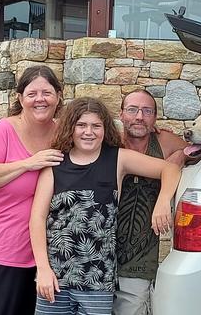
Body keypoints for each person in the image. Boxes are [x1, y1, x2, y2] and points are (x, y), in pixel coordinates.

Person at [29, 97, 181, 315]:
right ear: (70, 128)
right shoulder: (55, 165)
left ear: (105, 128)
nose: (88, 132)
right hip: (55, 278)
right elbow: (37, 218)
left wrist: (163, 201)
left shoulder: (118, 159)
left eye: (96, 126)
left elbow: (170, 170)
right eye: (81, 125)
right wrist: (42, 269)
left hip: (98, 280)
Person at [0, 65, 65, 315]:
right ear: (21, 98)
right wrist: (27, 163)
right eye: (32, 94)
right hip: (1, 248)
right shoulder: (4, 130)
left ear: (58, 96)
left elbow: (99, 141)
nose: (40, 99)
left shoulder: (62, 134)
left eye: (47, 92)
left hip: (45, 254)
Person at [114, 90, 189, 315]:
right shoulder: (110, 141)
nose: (139, 116)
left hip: (139, 257)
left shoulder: (164, 142)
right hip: (101, 251)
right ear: (121, 115)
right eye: (132, 110)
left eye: (147, 111)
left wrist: (182, 155)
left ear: (155, 118)